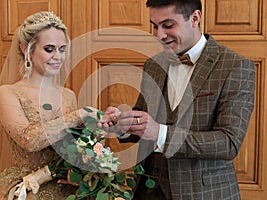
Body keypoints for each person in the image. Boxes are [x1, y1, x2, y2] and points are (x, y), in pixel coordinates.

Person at [100, 0, 255, 200]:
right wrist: (121, 123)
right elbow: (143, 117)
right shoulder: (153, 65)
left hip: (203, 193)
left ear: (195, 18)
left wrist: (161, 133)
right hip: (146, 189)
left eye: (168, 25)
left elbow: (229, 142)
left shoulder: (235, 66)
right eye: (155, 26)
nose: (159, 35)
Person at [0, 11, 99, 200]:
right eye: (49, 49)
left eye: (62, 49)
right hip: (26, 188)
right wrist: (78, 116)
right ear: (26, 49)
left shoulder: (68, 95)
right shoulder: (8, 93)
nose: (58, 57)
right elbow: (29, 140)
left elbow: (71, 146)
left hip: (67, 187)